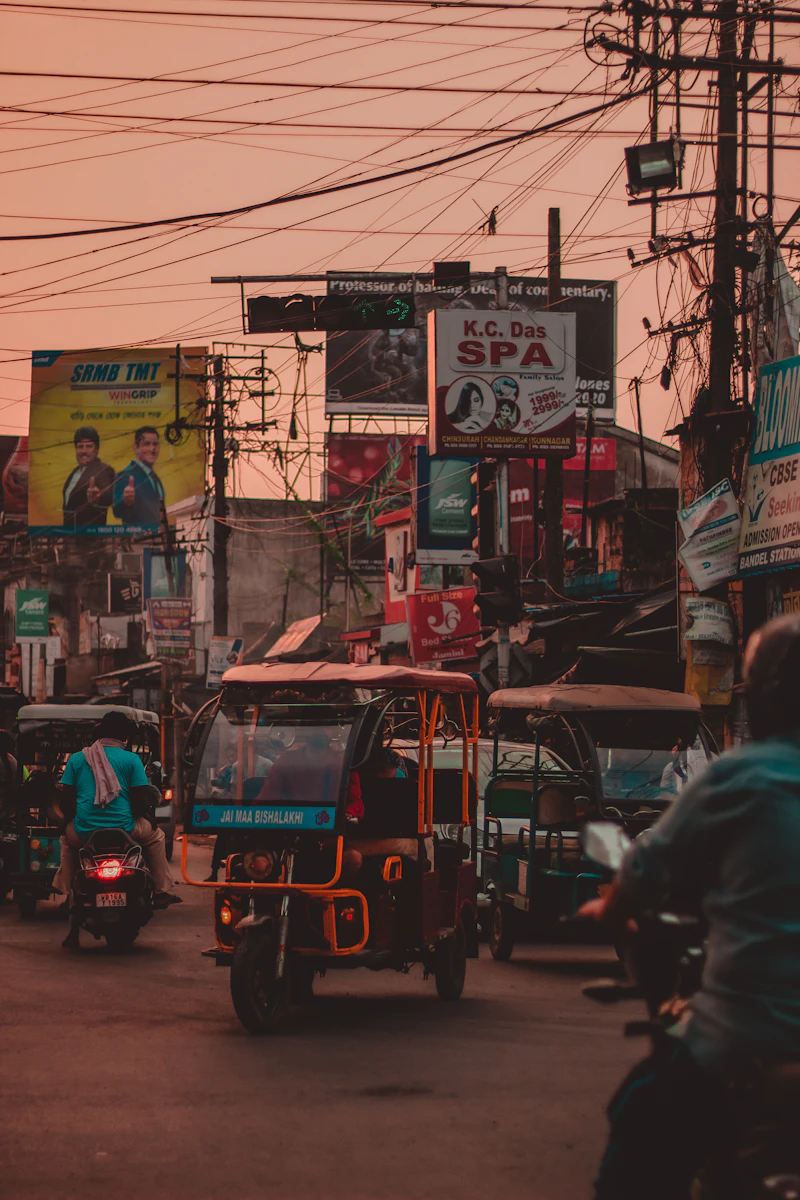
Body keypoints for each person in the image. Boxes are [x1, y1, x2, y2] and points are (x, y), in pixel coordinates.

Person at [583, 613, 800, 1200]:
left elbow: (648, 865)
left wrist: (608, 909)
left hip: (742, 1038)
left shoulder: (736, 776)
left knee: (640, 1125)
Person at [54, 711, 180, 949]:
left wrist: (76, 819)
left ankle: (67, 892)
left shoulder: (78, 759)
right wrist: (142, 816)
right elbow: (143, 797)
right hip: (126, 829)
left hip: (85, 831)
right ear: (124, 735)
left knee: (67, 841)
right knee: (156, 836)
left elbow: (67, 799)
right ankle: (163, 888)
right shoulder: (130, 760)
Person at [62, 426, 114, 529]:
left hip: (91, 538)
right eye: (80, 447)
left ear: (97, 449)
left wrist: (98, 498)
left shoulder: (104, 470)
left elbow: (109, 495)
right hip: (69, 535)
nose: (84, 451)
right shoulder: (75, 472)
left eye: (89, 446)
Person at [112, 426, 164, 526]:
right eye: (146, 444)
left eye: (155, 444)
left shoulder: (154, 478)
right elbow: (117, 511)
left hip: (159, 538)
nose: (152, 449)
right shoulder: (125, 476)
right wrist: (126, 502)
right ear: (136, 447)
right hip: (139, 539)